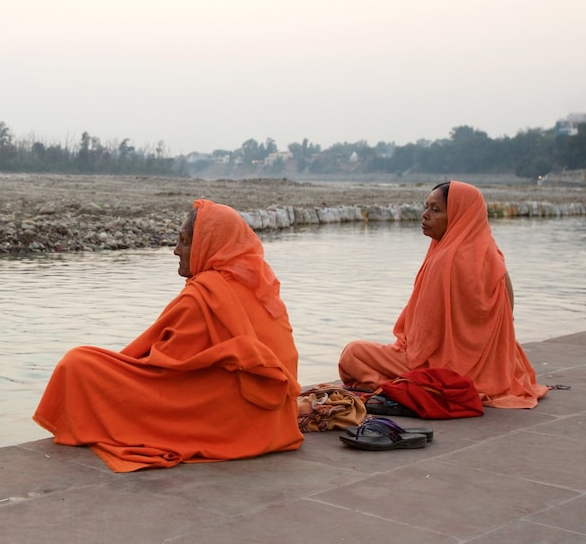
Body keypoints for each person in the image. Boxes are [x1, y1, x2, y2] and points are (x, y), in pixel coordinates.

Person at [33, 198, 304, 472]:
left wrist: (117, 370)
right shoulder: (262, 288)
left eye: (185, 241)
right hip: (277, 420)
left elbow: (162, 361)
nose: (176, 250)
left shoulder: (204, 294)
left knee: (78, 364)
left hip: (235, 418)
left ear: (208, 245)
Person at [338, 180, 548, 408]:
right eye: (426, 207)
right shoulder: (492, 255)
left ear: (459, 216)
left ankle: (409, 385)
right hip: (495, 367)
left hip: (441, 368)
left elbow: (423, 344)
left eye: (435, 210)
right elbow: (509, 317)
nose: (425, 215)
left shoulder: (445, 262)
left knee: (352, 354)